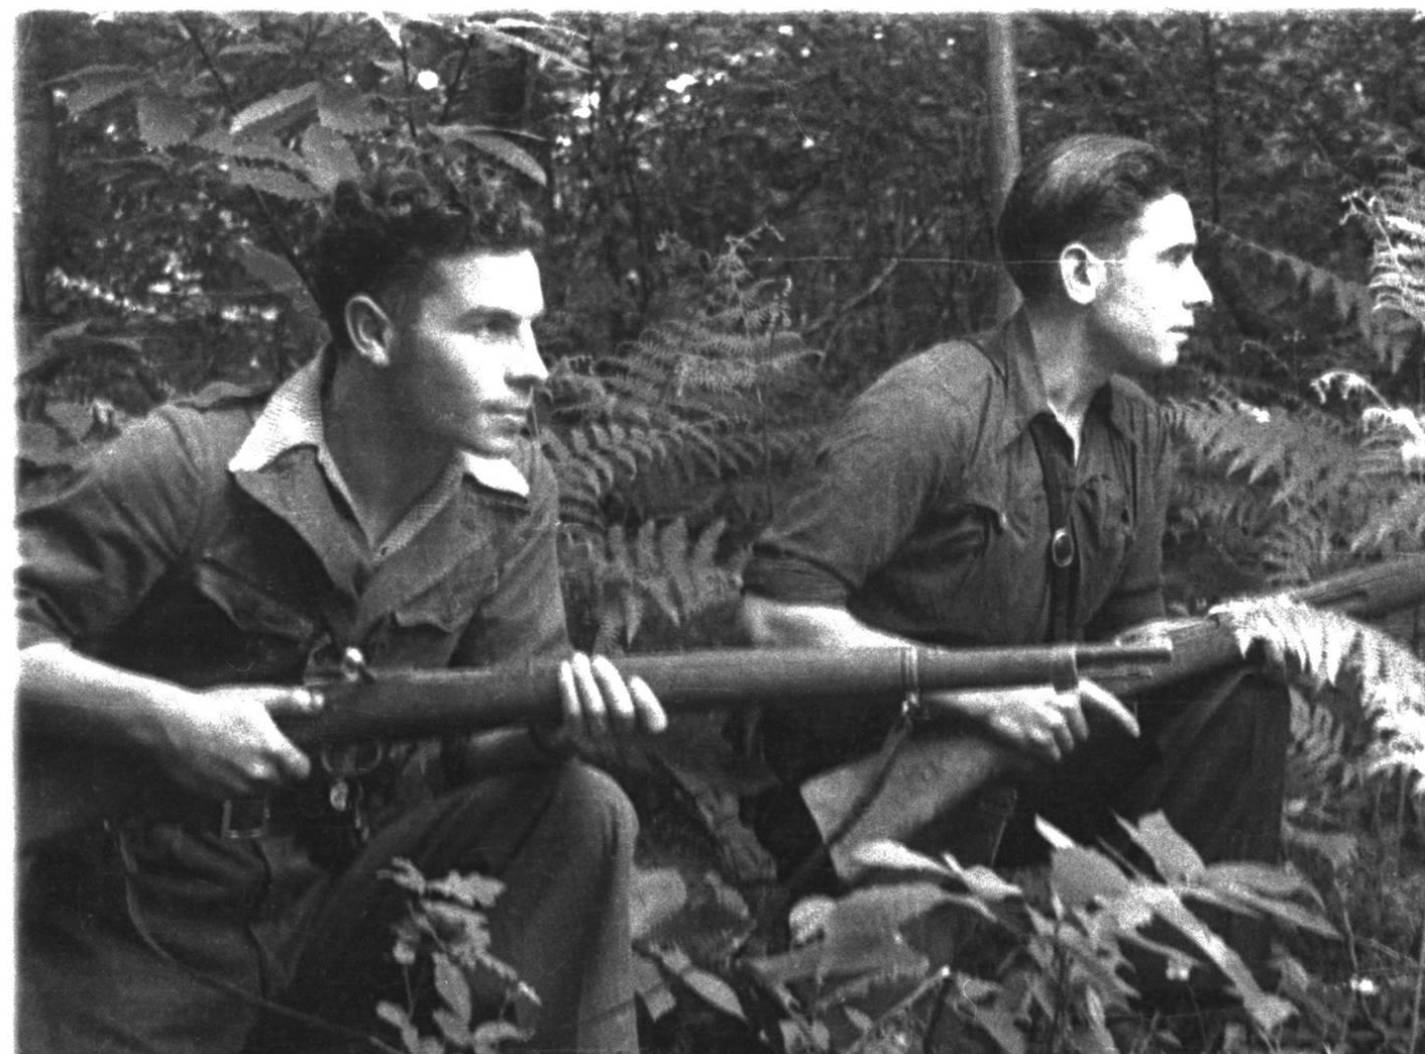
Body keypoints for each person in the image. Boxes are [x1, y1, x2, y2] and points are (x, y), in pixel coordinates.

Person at [16, 154, 665, 1054]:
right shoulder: (189, 463)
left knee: (585, 806)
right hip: (143, 924)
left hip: (357, 905)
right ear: (372, 330)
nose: (535, 369)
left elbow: (487, 735)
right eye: (490, 329)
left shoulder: (513, 492)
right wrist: (170, 723)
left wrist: (556, 727)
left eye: (533, 330)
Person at [740, 133, 1289, 886]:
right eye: (1173, 259)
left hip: (1027, 761)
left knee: (1242, 696)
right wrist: (985, 697)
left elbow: (1133, 639)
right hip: (873, 774)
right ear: (1080, 273)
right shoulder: (930, 408)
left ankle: (1182, 986)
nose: (1201, 292)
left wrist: (1249, 635)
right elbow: (774, 615)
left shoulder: (1136, 428)